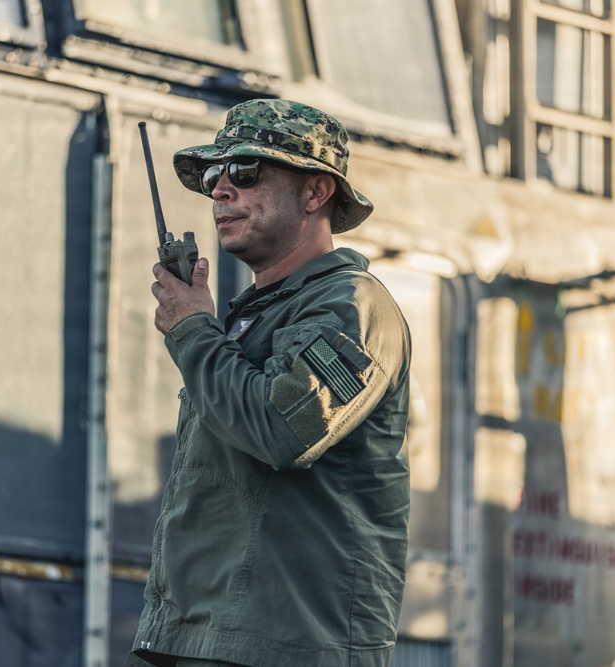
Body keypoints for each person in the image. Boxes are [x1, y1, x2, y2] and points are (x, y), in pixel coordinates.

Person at [126, 99, 411, 667]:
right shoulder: (251, 317)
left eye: (246, 171)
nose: (220, 190)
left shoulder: (352, 305)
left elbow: (282, 429)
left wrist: (193, 331)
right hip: (197, 639)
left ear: (316, 192)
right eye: (214, 175)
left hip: (288, 645)